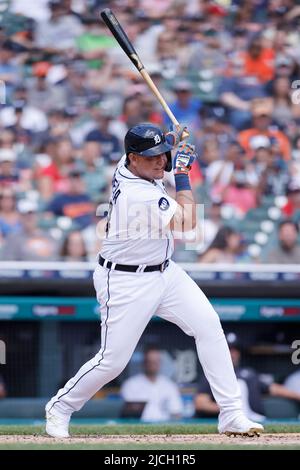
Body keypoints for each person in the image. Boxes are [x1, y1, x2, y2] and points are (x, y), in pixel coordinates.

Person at [45, 123, 263, 438]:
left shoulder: (129, 166)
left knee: (209, 327)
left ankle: (231, 414)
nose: (161, 161)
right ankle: (60, 407)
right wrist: (183, 171)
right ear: (132, 158)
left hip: (165, 271)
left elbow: (157, 149)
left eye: (163, 154)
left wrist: (173, 137)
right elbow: (188, 223)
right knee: (112, 362)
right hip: (124, 280)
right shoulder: (138, 192)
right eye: (151, 157)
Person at [194, 333, 300, 422]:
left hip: (256, 418)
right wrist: (231, 410)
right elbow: (200, 403)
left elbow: (273, 389)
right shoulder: (213, 374)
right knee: (240, 384)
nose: (232, 354)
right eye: (228, 350)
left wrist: (297, 396)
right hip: (231, 419)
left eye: (235, 350)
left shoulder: (248, 373)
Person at [120, 346, 183, 422]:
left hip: (164, 427)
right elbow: (128, 414)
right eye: (150, 361)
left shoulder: (169, 385)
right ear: (144, 362)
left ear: (160, 362)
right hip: (139, 427)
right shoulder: (130, 385)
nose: (153, 365)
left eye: (155, 362)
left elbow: (176, 413)